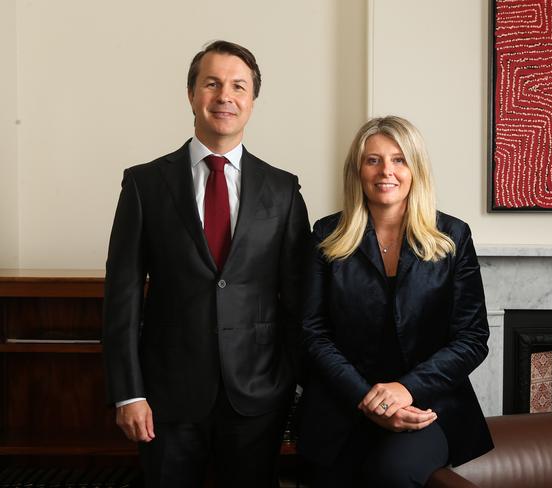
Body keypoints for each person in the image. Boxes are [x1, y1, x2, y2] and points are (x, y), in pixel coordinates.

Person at [102, 40, 310, 488]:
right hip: (165, 398)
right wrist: (129, 392)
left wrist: (292, 386)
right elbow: (122, 300)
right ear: (192, 93)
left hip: (258, 397)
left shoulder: (283, 190)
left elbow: (298, 301)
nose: (225, 96)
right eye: (212, 83)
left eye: (239, 86)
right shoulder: (144, 184)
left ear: (253, 100)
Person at [299, 116, 494, 487]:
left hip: (426, 405)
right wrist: (367, 398)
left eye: (399, 159)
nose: (385, 170)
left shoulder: (452, 237)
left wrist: (406, 390)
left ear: (415, 168)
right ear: (357, 171)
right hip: (344, 402)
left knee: (392, 473)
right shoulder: (326, 235)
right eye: (373, 160)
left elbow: (472, 337)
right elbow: (313, 333)